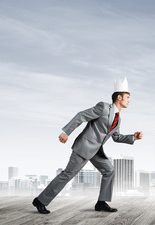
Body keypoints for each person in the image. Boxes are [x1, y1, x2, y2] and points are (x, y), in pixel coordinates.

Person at [32, 77, 143, 214]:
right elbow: (81, 116)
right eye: (127, 97)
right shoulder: (103, 107)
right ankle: (40, 201)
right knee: (67, 174)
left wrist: (133, 137)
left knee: (109, 171)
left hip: (96, 150)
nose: (129, 100)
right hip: (84, 147)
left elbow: (116, 137)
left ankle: (101, 203)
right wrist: (66, 132)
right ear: (119, 97)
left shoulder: (118, 119)